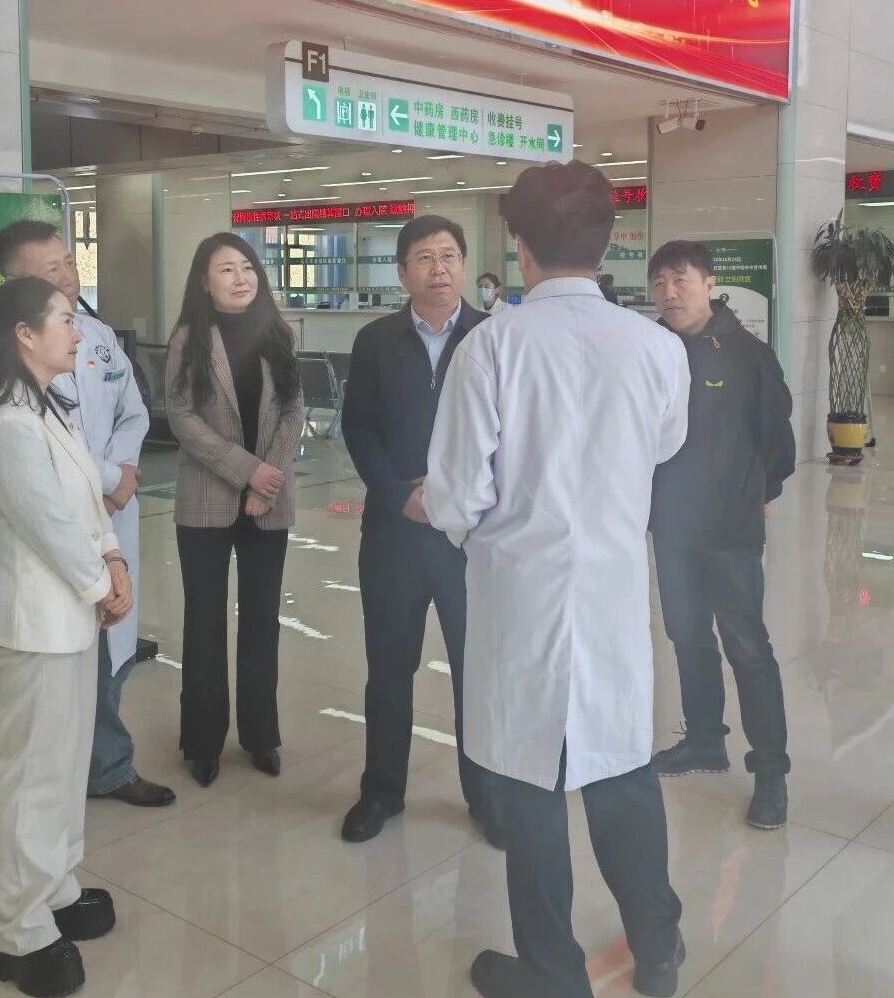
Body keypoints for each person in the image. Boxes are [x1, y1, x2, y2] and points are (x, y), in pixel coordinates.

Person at [422, 162, 691, 998]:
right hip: (610, 591)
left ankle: (551, 971)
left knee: (530, 784)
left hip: (520, 596)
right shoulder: (656, 347)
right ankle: (658, 947)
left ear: (520, 246)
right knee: (620, 769)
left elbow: (455, 496)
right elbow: (665, 446)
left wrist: (480, 526)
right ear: (608, 244)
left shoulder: (491, 346)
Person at [0, 277, 134, 997]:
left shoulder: (48, 408)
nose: (77, 331)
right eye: (65, 319)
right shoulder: (6, 424)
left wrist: (114, 558)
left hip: (72, 620)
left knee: (63, 770)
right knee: (31, 780)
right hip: (36, 627)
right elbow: (49, 528)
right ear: (25, 334)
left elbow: (88, 505)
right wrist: (103, 584)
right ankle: (17, 930)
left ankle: (56, 887)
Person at [0, 221, 175, 817]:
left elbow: (133, 412)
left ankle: (105, 768)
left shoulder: (95, 335)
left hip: (108, 517)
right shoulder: (1, 368)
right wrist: (110, 482)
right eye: (51, 270)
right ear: (16, 288)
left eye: (68, 262)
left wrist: (123, 476)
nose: (68, 276)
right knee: (25, 697)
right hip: (59, 554)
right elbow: (45, 483)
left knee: (104, 660)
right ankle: (2, 802)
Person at [340, 216, 499, 845]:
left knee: (475, 669)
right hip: (394, 532)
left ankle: (486, 797)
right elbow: (359, 427)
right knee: (388, 666)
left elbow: (511, 432)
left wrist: (468, 501)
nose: (440, 268)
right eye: (425, 257)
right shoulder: (376, 340)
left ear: (465, 265)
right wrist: (397, 495)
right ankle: (382, 791)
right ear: (403, 271)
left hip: (472, 538)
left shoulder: (492, 337)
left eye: (450, 255)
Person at [648, 239, 795, 831]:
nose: (669, 292)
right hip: (671, 526)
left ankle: (771, 770)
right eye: (660, 282)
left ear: (710, 283)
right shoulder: (651, 349)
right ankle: (705, 740)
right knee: (687, 635)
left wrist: (760, 492)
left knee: (746, 644)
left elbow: (777, 439)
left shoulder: (748, 354)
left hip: (730, 528)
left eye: (680, 279)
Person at [165, 234, 305, 787]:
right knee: (204, 622)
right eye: (226, 269)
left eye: (247, 267)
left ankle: (260, 735)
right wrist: (246, 471)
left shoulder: (278, 332)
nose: (241, 277)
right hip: (207, 497)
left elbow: (293, 410)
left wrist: (267, 482)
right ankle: (203, 742)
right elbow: (180, 415)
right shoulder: (188, 338)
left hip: (268, 499)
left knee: (262, 619)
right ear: (204, 282)